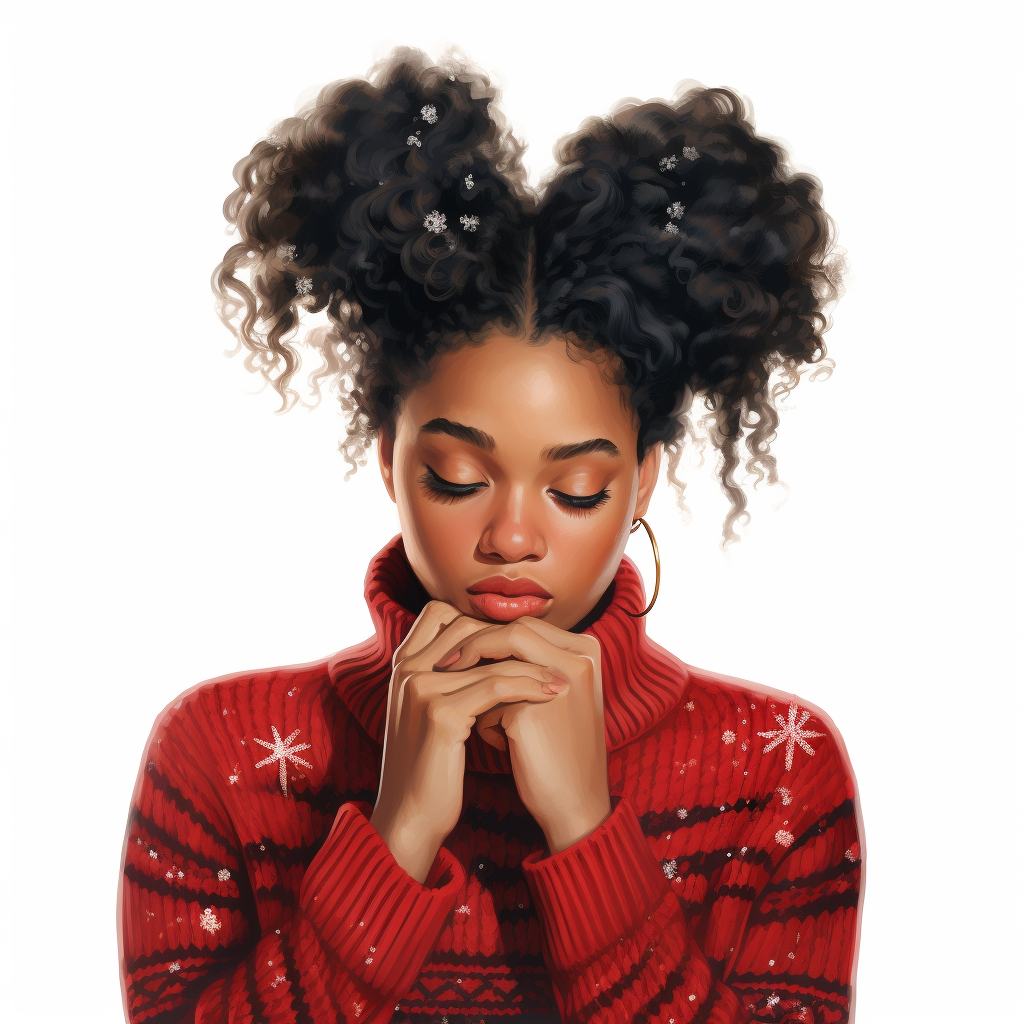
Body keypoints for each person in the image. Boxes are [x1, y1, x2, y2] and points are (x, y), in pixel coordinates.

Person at [118, 47, 862, 1024]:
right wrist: (395, 837)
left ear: (643, 478)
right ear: (388, 457)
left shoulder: (775, 772)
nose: (512, 534)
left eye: (578, 487)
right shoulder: (222, 754)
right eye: (458, 476)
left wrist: (588, 833)